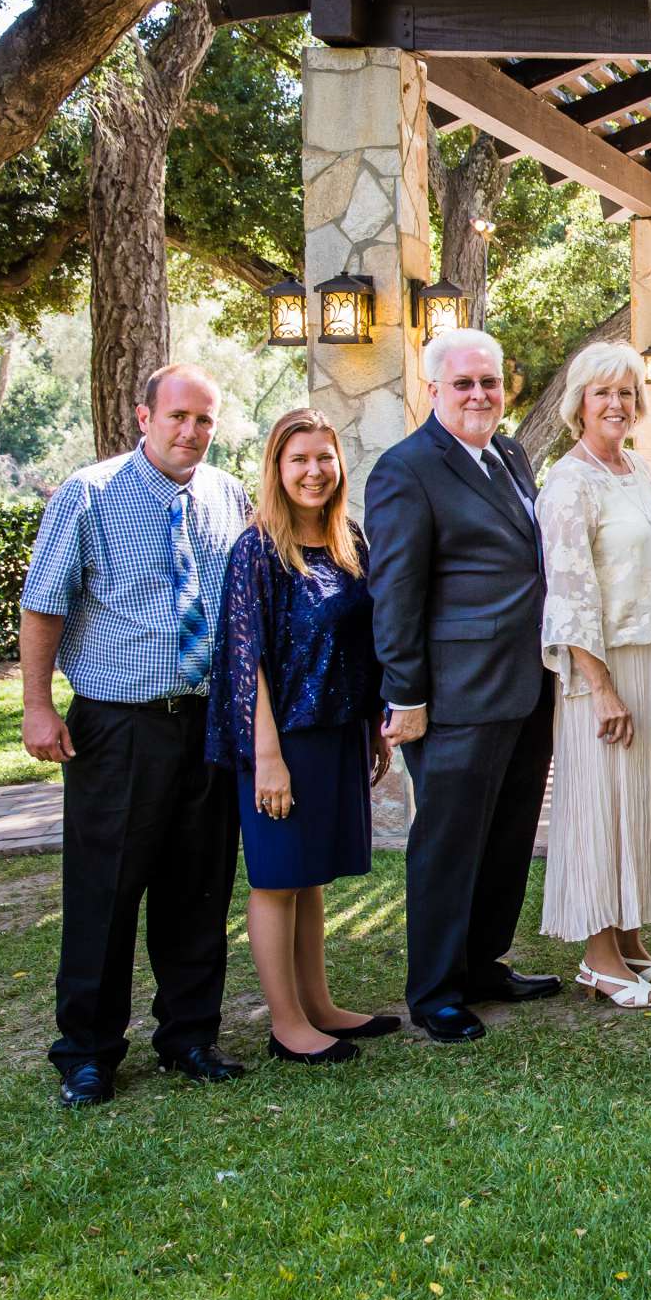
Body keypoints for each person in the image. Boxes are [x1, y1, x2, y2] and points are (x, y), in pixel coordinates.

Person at [20, 364, 249, 1106]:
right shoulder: (89, 495)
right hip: (119, 725)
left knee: (199, 885)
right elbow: (44, 604)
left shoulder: (227, 495)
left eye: (205, 420)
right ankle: (87, 1052)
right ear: (144, 416)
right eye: (179, 416)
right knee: (105, 888)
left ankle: (189, 1036)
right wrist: (37, 706)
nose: (192, 432)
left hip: (207, 721)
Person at [367, 327, 560, 1043]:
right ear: (433, 391)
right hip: (455, 693)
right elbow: (395, 594)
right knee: (449, 842)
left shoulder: (508, 454)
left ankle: (484, 962)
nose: (480, 394)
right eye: (464, 383)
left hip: (526, 682)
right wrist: (406, 695)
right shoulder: (405, 470)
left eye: (490, 381)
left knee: (508, 834)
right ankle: (437, 989)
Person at [208, 409, 398, 1066]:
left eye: (324, 457)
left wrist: (373, 726)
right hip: (281, 738)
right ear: (276, 469)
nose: (314, 471)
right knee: (277, 879)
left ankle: (319, 1006)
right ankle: (287, 1024)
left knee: (310, 876)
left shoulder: (350, 539)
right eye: (299, 460)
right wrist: (266, 758)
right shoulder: (256, 548)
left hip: (338, 730)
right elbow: (245, 659)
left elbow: (363, 644)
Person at [536, 343, 651, 1011]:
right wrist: (600, 686)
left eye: (626, 393)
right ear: (578, 402)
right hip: (604, 667)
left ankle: (629, 941)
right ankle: (597, 959)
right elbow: (570, 594)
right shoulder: (568, 483)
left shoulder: (635, 470)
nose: (616, 404)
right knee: (604, 806)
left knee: (639, 804)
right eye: (603, 393)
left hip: (650, 656)